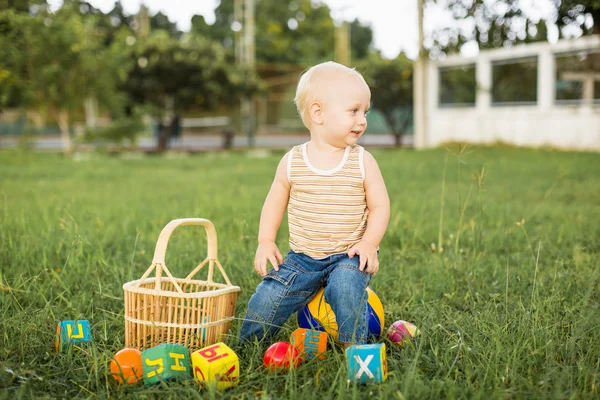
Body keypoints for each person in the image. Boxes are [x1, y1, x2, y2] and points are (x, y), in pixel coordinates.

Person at [239, 61, 390, 347]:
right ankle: (247, 347)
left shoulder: (362, 161)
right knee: (268, 295)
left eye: (365, 112)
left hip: (348, 256)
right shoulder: (293, 161)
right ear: (318, 113)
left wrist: (369, 243)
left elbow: (380, 206)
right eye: (354, 111)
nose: (362, 120)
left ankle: (356, 350)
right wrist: (265, 240)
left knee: (345, 287)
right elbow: (274, 202)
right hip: (302, 259)